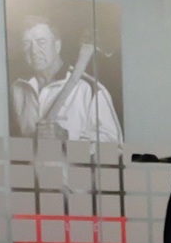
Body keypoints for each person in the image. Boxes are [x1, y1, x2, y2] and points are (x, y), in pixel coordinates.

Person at [10, 16, 121, 147]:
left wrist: (67, 138)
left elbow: (115, 148)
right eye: (26, 43)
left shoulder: (90, 90)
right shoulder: (18, 88)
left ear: (57, 45)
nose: (33, 51)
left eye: (41, 42)